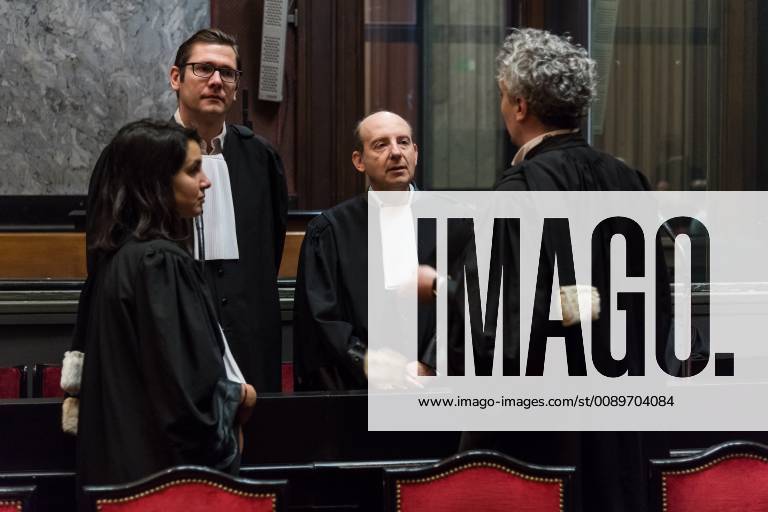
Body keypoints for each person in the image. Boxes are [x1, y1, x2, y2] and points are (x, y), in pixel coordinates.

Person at [455, 28, 672, 512]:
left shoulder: (517, 193)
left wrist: (444, 292)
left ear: (519, 106)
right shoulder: (629, 182)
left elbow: (493, 324)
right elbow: (656, 301)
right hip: (622, 419)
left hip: (541, 430)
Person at [71, 120, 257, 486]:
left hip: (120, 475)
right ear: (154, 183)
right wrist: (239, 397)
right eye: (192, 170)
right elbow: (186, 394)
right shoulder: (160, 262)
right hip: (163, 480)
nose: (206, 181)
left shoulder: (119, 257)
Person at [169, 28, 288, 392]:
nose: (217, 81)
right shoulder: (142, 153)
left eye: (228, 73)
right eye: (203, 69)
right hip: (172, 338)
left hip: (250, 339)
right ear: (176, 77)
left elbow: (270, 248)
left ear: (237, 86)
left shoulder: (261, 157)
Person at [293, 111, 434, 390]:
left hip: (435, 387)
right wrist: (370, 364)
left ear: (415, 153)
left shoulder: (454, 221)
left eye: (403, 142)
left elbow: (468, 305)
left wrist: (431, 363)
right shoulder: (329, 231)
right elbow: (321, 319)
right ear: (359, 161)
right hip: (358, 392)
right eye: (381, 145)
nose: (395, 152)